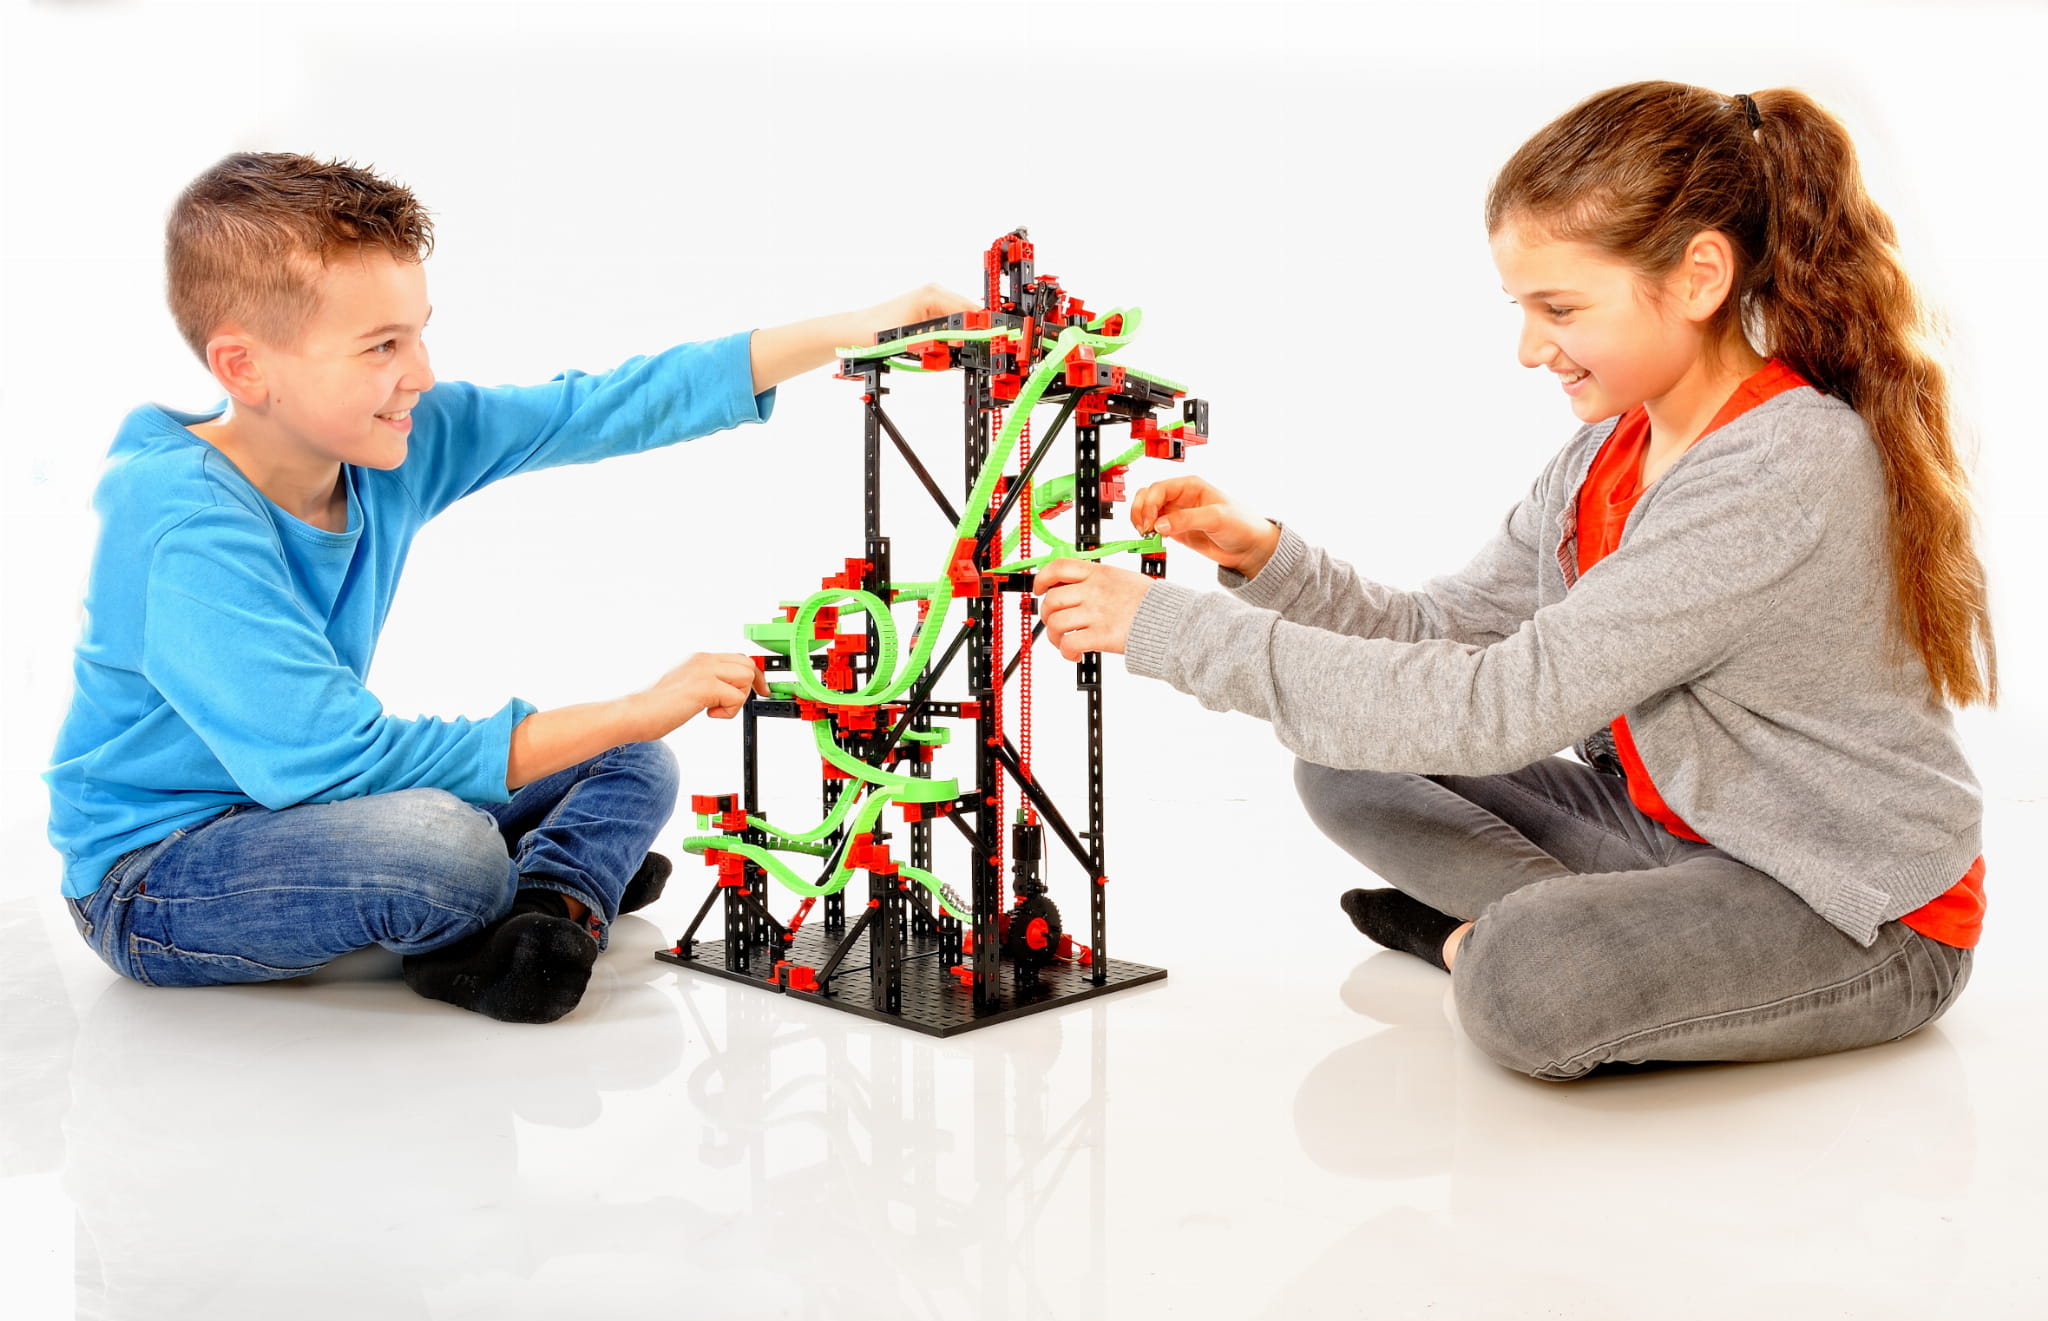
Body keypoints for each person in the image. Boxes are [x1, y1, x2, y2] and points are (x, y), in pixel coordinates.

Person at [1033, 82, 1993, 1080]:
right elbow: (1438, 630)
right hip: (1674, 837)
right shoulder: (1604, 457)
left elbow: (1499, 707)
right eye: (1523, 309)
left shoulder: (1776, 470)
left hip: (1852, 910)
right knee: (1345, 761)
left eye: (1559, 308)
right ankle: (1580, 936)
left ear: (1699, 276)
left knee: (1526, 984)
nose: (1531, 349)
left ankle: (1491, 944)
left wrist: (1171, 631)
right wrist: (1262, 558)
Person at [46, 152, 973, 1023]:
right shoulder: (182, 526)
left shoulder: (384, 441)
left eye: (418, 334)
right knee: (445, 848)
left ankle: (542, 911)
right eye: (381, 346)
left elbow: (595, 406)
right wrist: (640, 701)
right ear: (245, 367)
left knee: (633, 758)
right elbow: (337, 765)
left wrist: (844, 332)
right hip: (157, 875)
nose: (420, 374)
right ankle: (526, 886)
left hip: (303, 817)